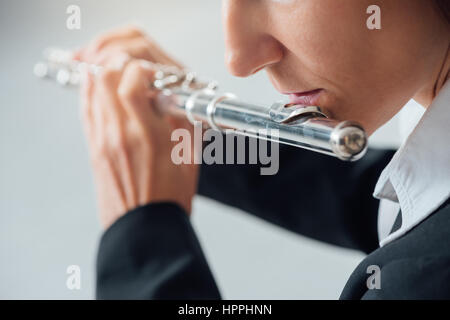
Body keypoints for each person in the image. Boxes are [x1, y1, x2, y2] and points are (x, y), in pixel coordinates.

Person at [74, 0, 450, 299]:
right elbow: (394, 204)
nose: (238, 60)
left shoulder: (422, 280)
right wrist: (198, 139)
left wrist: (143, 243)